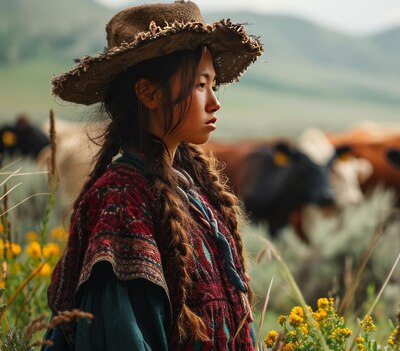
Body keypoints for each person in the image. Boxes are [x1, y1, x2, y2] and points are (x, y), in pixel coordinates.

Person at [42, 1, 263, 350]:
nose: (214, 102)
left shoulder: (193, 192)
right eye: (200, 85)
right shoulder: (120, 202)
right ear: (148, 92)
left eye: (214, 86)